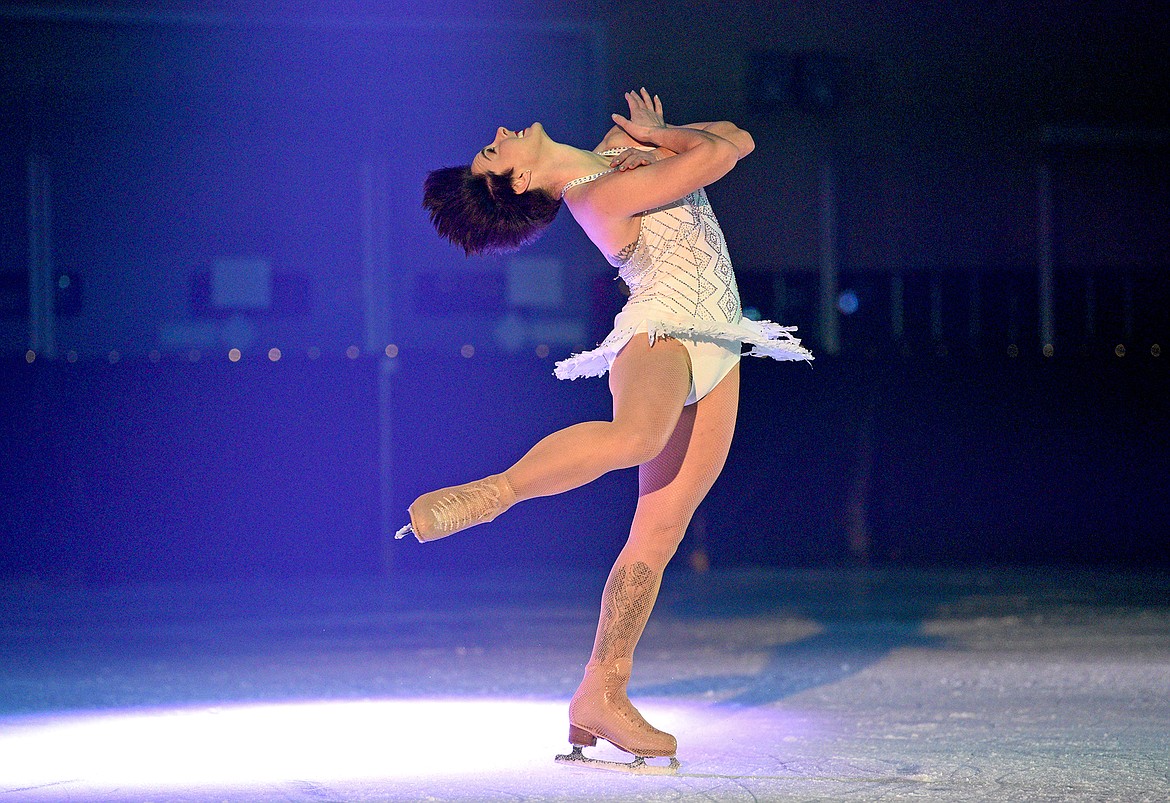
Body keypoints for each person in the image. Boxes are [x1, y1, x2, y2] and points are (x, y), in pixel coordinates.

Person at [401, 88, 813, 772]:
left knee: (661, 528)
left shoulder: (618, 152)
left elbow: (740, 136)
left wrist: (658, 132)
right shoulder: (595, 197)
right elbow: (713, 156)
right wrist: (667, 137)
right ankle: (497, 491)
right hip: (662, 335)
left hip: (720, 344)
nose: (501, 129)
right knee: (637, 436)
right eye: (492, 150)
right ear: (520, 179)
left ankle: (601, 689)